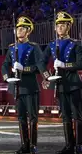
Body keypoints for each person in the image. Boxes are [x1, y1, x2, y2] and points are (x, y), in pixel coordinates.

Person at [1, 16, 45, 154]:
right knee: (21, 118)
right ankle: (24, 145)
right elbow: (4, 65)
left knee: (32, 117)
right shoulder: (12, 47)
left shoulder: (34, 47)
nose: (19, 30)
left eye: (22, 28)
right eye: (17, 28)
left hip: (30, 86)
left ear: (28, 31)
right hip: (17, 87)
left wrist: (24, 69)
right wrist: (7, 77)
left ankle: (33, 145)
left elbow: (40, 66)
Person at [41, 11, 82, 154]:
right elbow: (41, 61)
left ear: (68, 26)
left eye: (63, 25)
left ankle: (79, 145)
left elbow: (80, 63)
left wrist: (65, 65)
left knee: (77, 115)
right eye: (58, 25)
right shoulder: (52, 45)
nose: (60, 27)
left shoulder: (75, 44)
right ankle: (69, 145)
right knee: (65, 115)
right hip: (60, 84)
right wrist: (46, 76)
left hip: (73, 83)